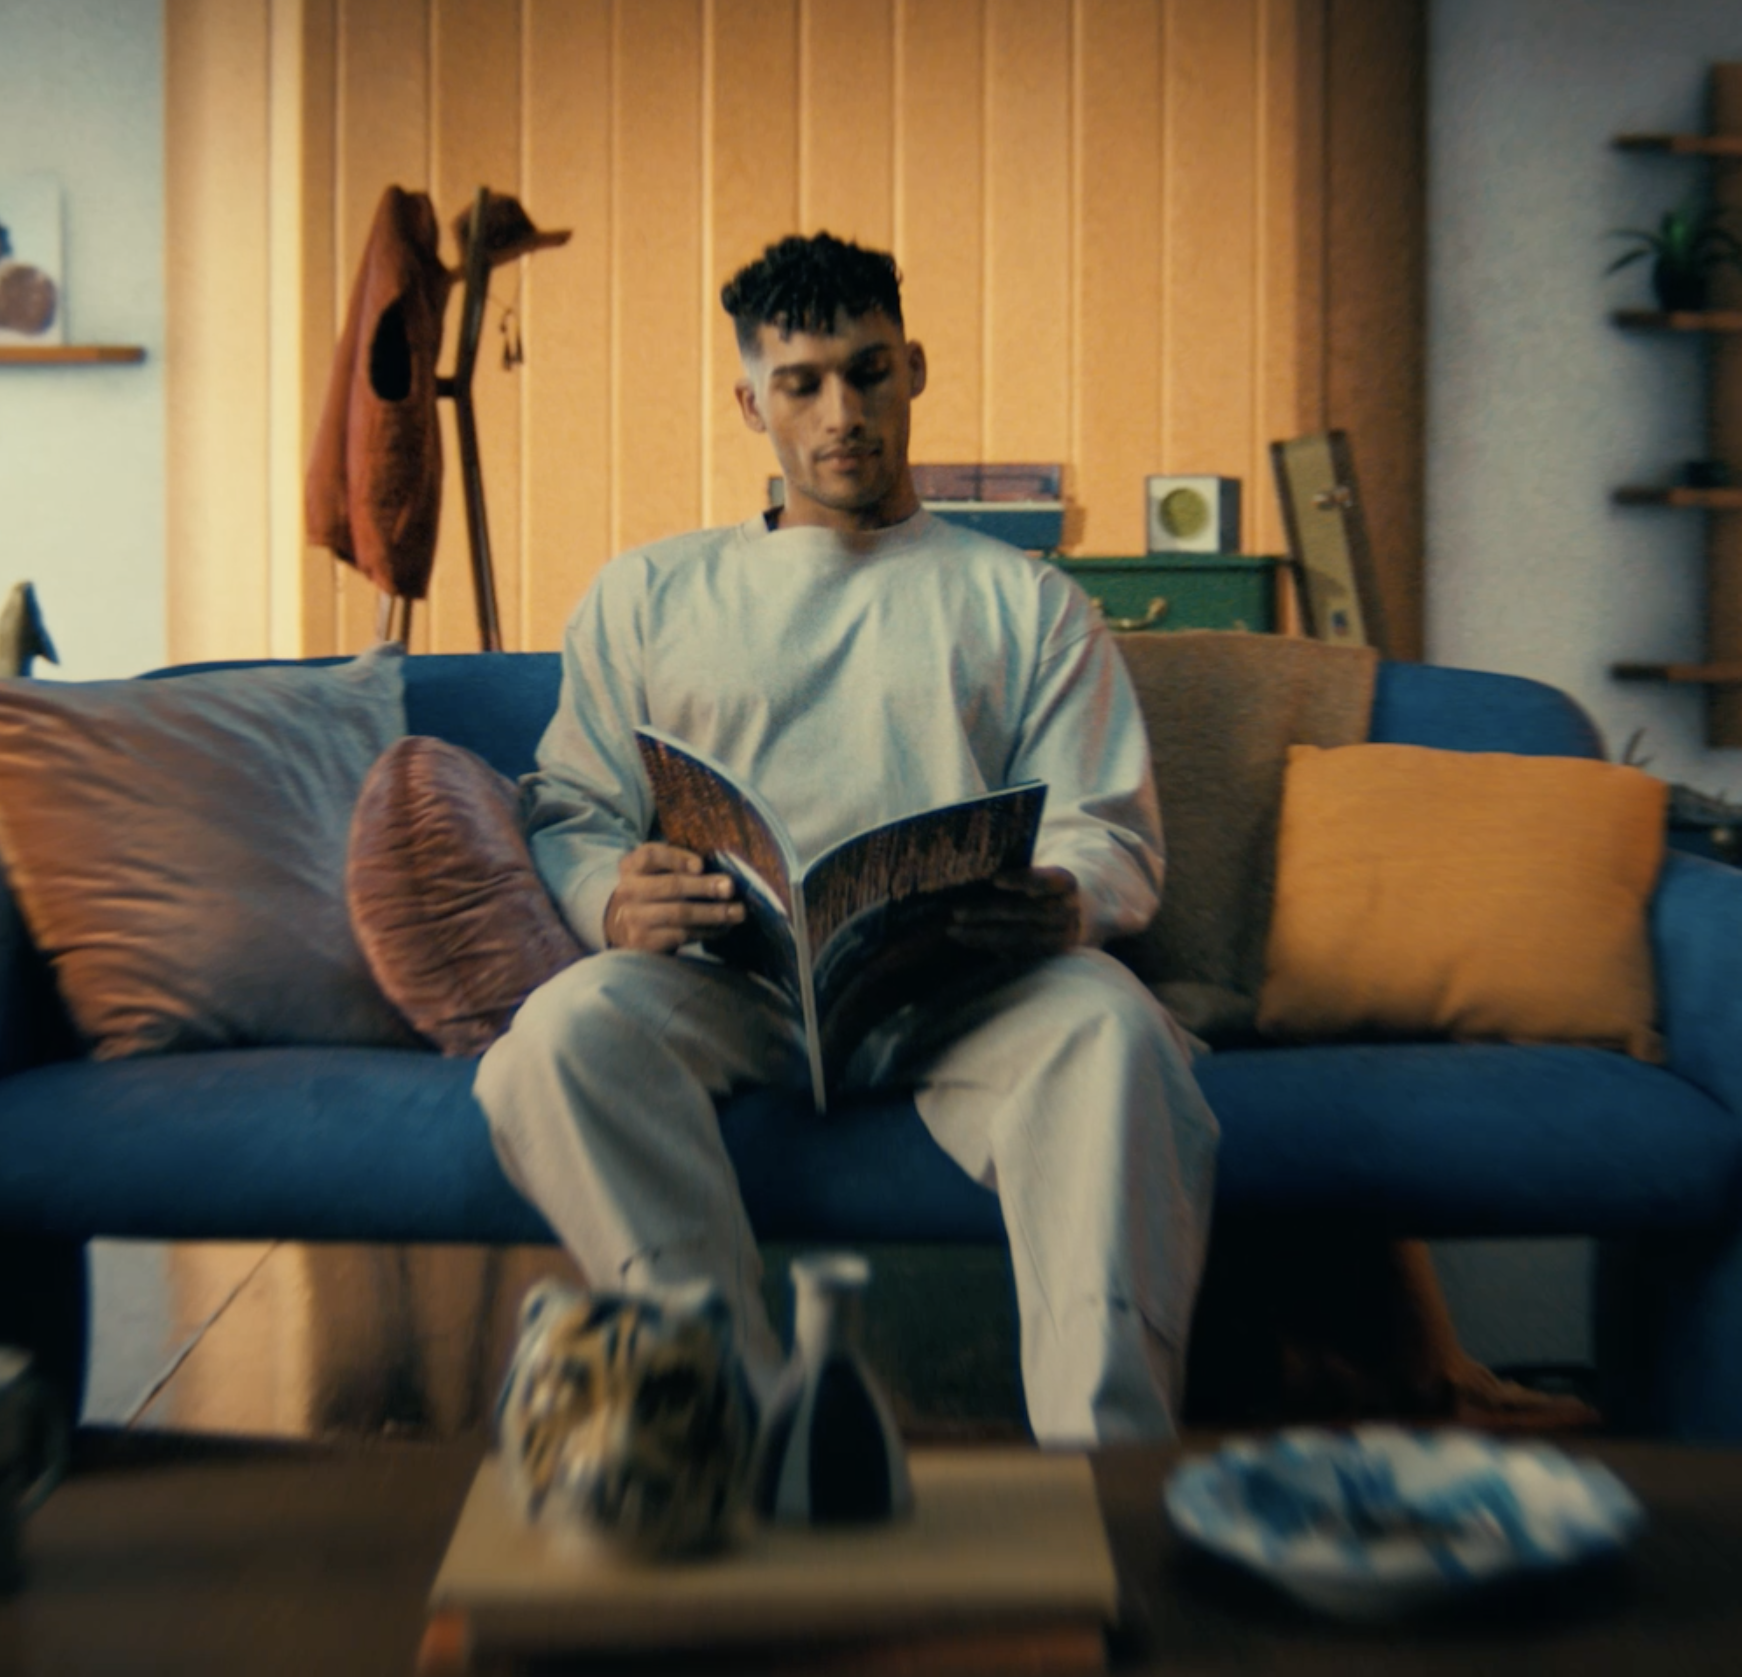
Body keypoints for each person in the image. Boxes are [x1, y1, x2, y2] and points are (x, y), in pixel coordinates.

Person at [472, 233, 1217, 1447]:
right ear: (748, 399)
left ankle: (1108, 1467)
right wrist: (614, 895)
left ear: (914, 367)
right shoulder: (649, 593)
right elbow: (570, 807)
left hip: (967, 992)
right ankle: (759, 1428)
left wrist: (1065, 901)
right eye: (802, 383)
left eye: (869, 372)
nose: (842, 413)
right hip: (732, 987)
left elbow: (1112, 832)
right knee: (552, 1043)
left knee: (1116, 1029)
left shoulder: (1023, 601)